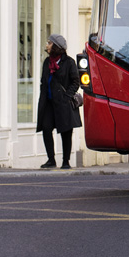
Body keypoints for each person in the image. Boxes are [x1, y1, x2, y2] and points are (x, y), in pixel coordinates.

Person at [38, 33, 82, 170]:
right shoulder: (47, 62)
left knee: (66, 131)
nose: (47, 45)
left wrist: (67, 97)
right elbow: (43, 80)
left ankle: (65, 161)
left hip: (63, 103)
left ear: (56, 46)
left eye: (49, 43)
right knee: (46, 128)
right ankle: (51, 160)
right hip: (49, 102)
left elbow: (76, 82)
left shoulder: (69, 62)